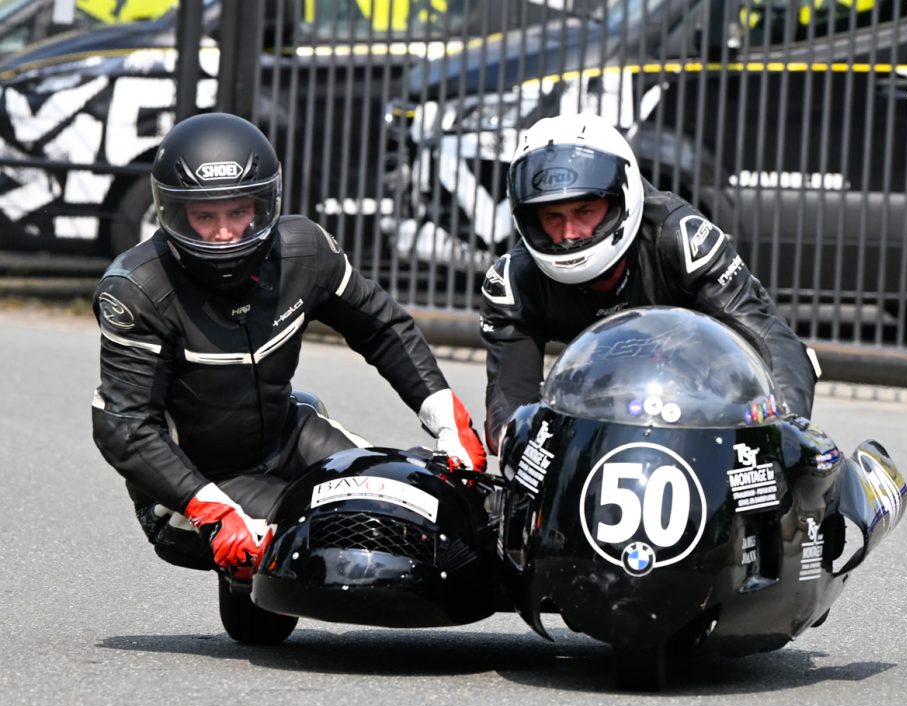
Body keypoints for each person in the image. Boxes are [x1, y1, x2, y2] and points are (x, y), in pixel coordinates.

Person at [91, 112, 485, 579]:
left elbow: (380, 325)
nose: (225, 232)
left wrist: (444, 413)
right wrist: (206, 505)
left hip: (289, 435)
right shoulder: (136, 289)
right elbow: (125, 426)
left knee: (404, 502)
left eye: (238, 212)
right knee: (330, 533)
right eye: (204, 216)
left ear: (264, 205)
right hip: (193, 482)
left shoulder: (305, 250)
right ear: (174, 213)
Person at [478, 111, 819, 454]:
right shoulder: (514, 282)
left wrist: (784, 430)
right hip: (588, 419)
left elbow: (770, 339)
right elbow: (509, 405)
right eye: (552, 216)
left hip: (701, 399)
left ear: (620, 199)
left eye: (584, 211)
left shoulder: (682, 240)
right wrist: (521, 443)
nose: (569, 233)